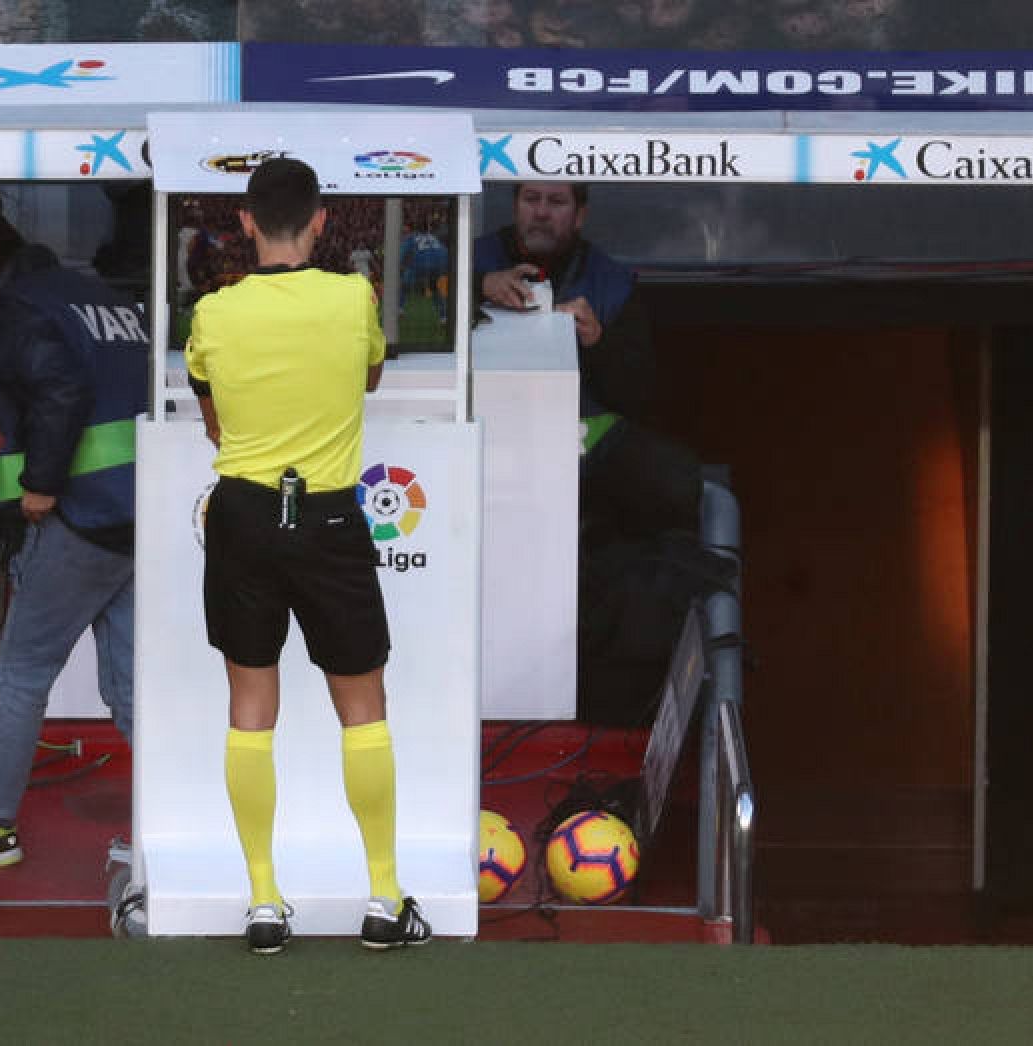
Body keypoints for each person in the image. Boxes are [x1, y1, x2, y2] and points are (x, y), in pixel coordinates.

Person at [185, 158, 431, 955]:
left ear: (246, 223)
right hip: (327, 513)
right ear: (322, 222)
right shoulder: (352, 297)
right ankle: (384, 898)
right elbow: (369, 375)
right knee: (363, 706)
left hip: (244, 512)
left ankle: (263, 900)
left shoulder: (213, 313)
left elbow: (213, 420)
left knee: (249, 705)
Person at [0, 185, 148, 867]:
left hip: (82, 516)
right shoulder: (99, 298)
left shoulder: (21, 310)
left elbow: (60, 391)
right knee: (131, 685)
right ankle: (185, 811)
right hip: (139, 510)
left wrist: (39, 487)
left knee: (23, 669)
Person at [474, 180, 698, 542]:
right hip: (485, 431)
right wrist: (479, 285)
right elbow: (410, 300)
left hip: (576, 438)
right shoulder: (469, 259)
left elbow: (640, 395)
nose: (542, 212)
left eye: (557, 202)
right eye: (531, 199)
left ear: (580, 216)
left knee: (674, 480)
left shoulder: (612, 282)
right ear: (515, 206)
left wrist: (598, 341)